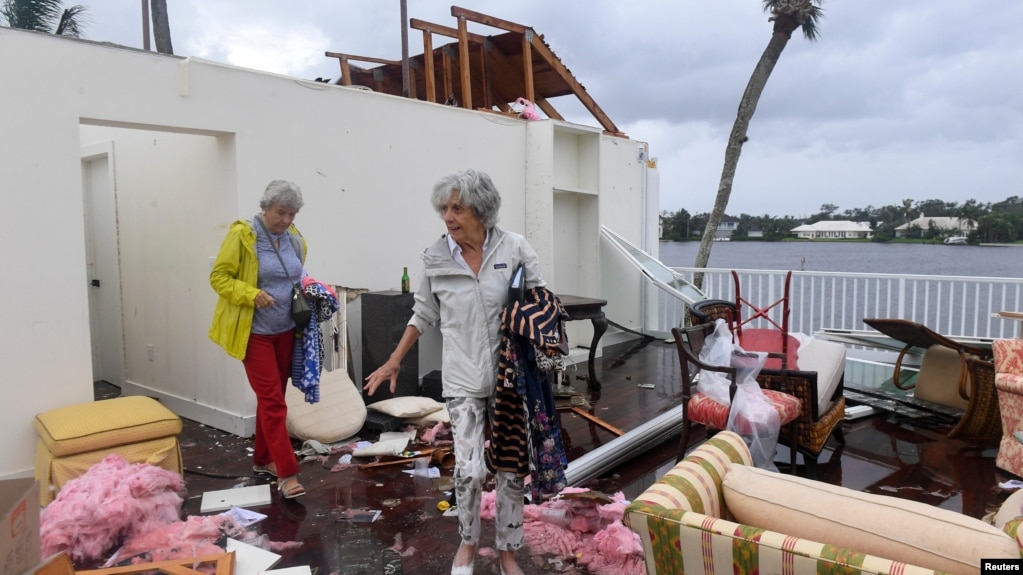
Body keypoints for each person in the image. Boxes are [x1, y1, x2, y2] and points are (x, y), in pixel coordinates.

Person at [364, 169, 543, 575]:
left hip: (510, 380)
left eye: (457, 208)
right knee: (468, 470)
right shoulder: (436, 256)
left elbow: (539, 299)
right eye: (444, 208)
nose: (448, 216)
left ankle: (507, 552)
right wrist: (395, 358)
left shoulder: (514, 248)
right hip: (462, 378)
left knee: (511, 469)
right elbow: (423, 312)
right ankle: (466, 543)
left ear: (481, 211)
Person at [209, 179, 310, 499]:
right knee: (273, 401)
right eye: (281, 213)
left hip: (285, 330)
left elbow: (297, 275)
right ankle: (286, 472)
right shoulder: (243, 235)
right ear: (265, 208)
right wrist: (251, 294)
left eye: (292, 214)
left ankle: (263, 459)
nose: (286, 220)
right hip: (254, 333)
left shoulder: (294, 238)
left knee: (273, 398)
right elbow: (219, 278)